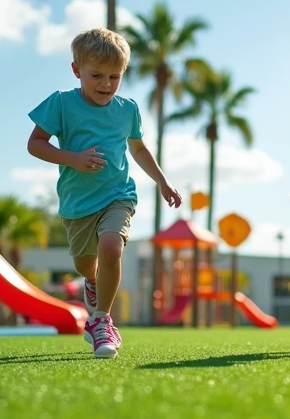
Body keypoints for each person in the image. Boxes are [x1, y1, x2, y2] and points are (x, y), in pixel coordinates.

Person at [26, 28, 183, 358]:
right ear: (76, 70)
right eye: (96, 75)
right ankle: (92, 282)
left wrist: (162, 181)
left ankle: (101, 321)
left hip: (118, 195)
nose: (106, 84)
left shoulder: (127, 109)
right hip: (78, 203)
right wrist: (73, 159)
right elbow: (35, 143)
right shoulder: (61, 103)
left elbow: (138, 149)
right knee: (87, 265)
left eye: (115, 76)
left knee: (111, 248)